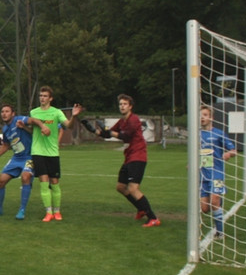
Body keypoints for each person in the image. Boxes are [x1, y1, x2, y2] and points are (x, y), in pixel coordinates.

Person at [92, 94, 160, 227]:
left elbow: (126, 136)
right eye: (120, 104)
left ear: (130, 106)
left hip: (138, 156)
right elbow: (108, 133)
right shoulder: (122, 121)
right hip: (129, 157)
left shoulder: (133, 120)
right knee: (121, 187)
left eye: (125, 104)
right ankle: (141, 209)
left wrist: (109, 132)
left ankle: (153, 218)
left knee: (133, 188)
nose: (122, 106)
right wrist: (93, 129)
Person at [28, 87, 83, 222]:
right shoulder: (33, 112)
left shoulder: (56, 112)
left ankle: (57, 211)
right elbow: (31, 129)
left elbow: (68, 126)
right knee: (43, 182)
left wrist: (74, 116)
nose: (42, 98)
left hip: (52, 152)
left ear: (50, 98)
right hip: (38, 151)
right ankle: (48, 212)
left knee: (55, 182)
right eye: (41, 95)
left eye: (45, 96)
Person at [0, 103, 35, 220]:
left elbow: (33, 121)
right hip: (16, 158)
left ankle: (22, 210)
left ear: (13, 114)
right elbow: (6, 145)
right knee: (1, 181)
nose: (4, 114)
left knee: (25, 177)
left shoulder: (19, 120)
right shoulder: (5, 129)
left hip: (29, 157)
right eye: (2, 112)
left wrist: (41, 126)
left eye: (7, 111)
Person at [200, 105, 237, 238]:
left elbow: (234, 150)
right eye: (200, 115)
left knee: (214, 200)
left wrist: (228, 154)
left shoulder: (218, 133)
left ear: (211, 117)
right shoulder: (196, 134)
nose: (202, 117)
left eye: (204, 115)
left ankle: (220, 232)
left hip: (217, 172)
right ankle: (218, 203)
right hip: (203, 173)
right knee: (205, 209)